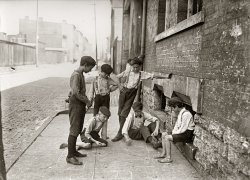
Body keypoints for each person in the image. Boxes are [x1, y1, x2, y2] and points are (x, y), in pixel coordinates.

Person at [66, 56, 96, 165]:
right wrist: (87, 101)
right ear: (85, 65)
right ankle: (70, 156)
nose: (90, 70)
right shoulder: (76, 75)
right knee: (74, 130)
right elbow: (76, 92)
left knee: (78, 128)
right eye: (90, 68)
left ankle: (73, 151)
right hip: (76, 105)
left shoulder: (80, 74)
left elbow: (73, 90)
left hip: (79, 105)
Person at [154, 96, 195, 163]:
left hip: (187, 134)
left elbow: (183, 129)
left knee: (167, 138)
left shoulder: (186, 114)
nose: (172, 110)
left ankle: (168, 158)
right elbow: (177, 125)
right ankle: (163, 153)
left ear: (176, 106)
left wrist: (173, 135)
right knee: (164, 134)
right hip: (182, 132)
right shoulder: (180, 113)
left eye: (173, 108)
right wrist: (173, 132)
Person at [111, 57, 143, 142]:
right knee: (120, 112)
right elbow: (115, 77)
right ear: (131, 66)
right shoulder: (128, 72)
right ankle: (122, 130)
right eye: (134, 67)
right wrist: (119, 85)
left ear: (140, 66)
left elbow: (153, 75)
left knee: (123, 114)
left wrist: (166, 76)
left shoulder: (141, 74)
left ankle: (120, 132)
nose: (135, 69)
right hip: (123, 93)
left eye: (137, 67)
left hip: (131, 95)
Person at [89, 64, 118, 140]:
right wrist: (90, 100)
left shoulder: (108, 79)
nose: (106, 75)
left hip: (106, 98)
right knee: (95, 116)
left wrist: (109, 90)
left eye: (108, 74)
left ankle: (104, 136)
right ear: (101, 71)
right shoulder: (95, 79)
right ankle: (93, 134)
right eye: (105, 73)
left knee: (105, 117)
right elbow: (91, 91)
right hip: (97, 98)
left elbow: (116, 84)